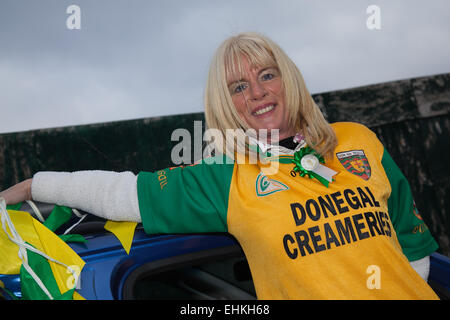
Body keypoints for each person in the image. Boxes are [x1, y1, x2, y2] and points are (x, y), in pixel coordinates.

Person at [0, 32, 439, 299]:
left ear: (289, 79)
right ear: (225, 104)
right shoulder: (224, 178)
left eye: (267, 75)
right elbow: (121, 192)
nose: (257, 93)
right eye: (238, 87)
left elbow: (413, 249)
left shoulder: (358, 139)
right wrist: (31, 186)